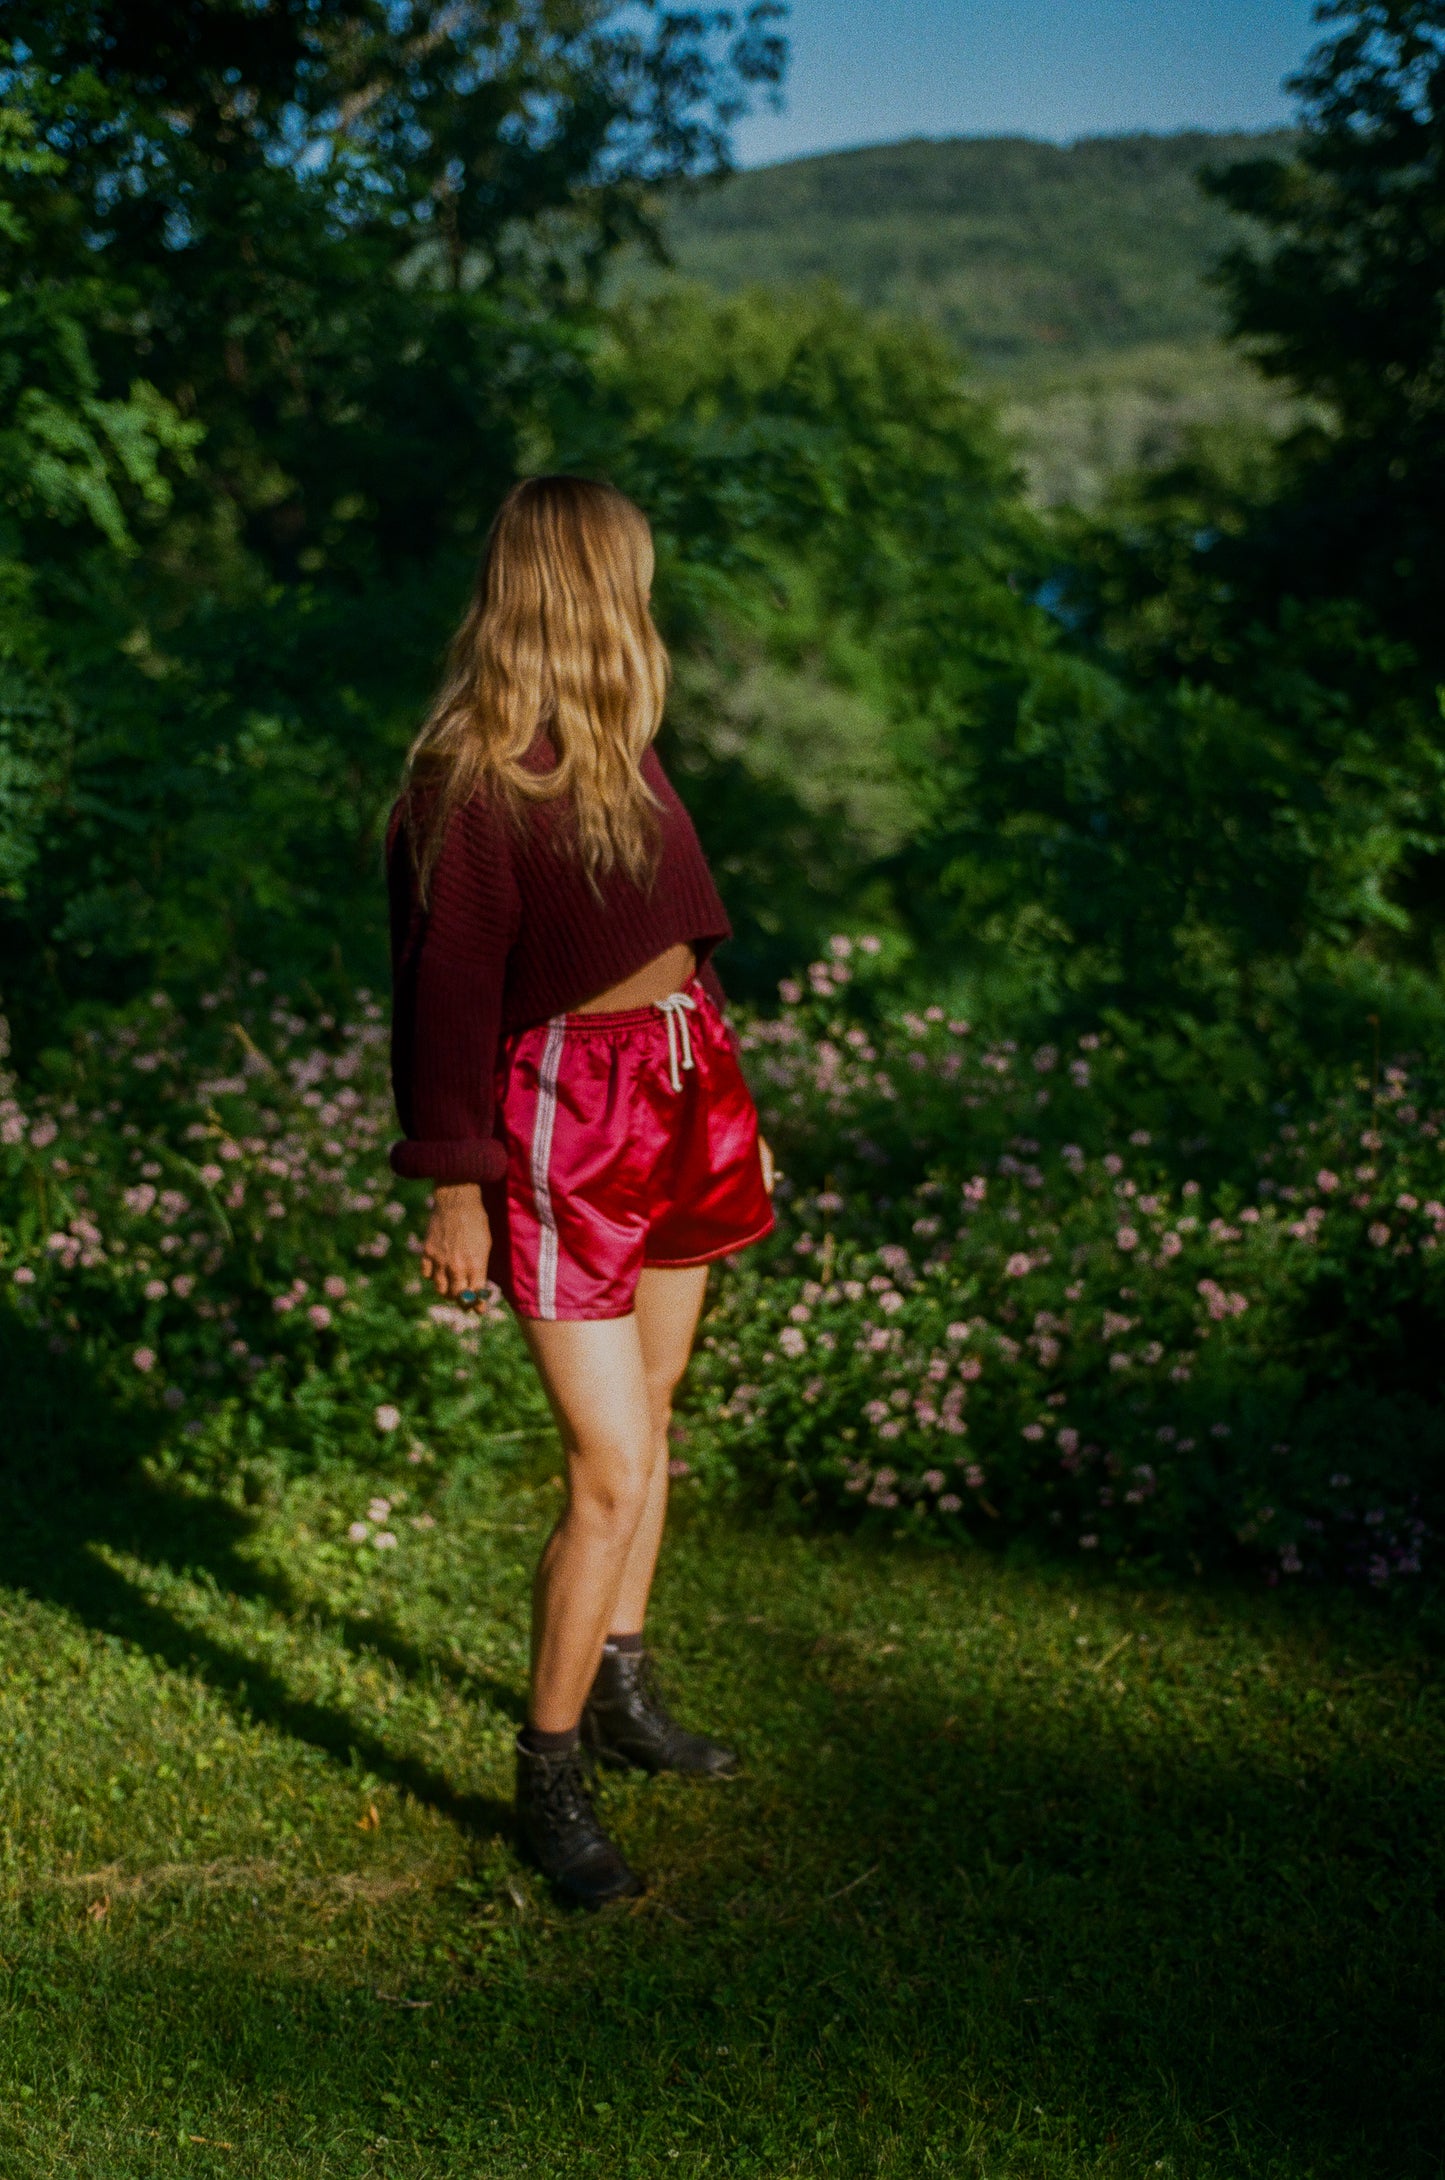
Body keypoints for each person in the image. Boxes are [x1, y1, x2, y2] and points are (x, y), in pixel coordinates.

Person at [386, 475, 775, 1907]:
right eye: (632, 569)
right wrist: (452, 1186)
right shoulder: (470, 774)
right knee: (605, 1468)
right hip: (567, 1116)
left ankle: (618, 1685)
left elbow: (673, 928)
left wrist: (732, 1102)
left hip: (687, 1085)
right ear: (583, 582)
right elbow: (440, 998)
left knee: (655, 1425)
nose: (644, 590)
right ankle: (546, 1773)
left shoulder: (620, 743)